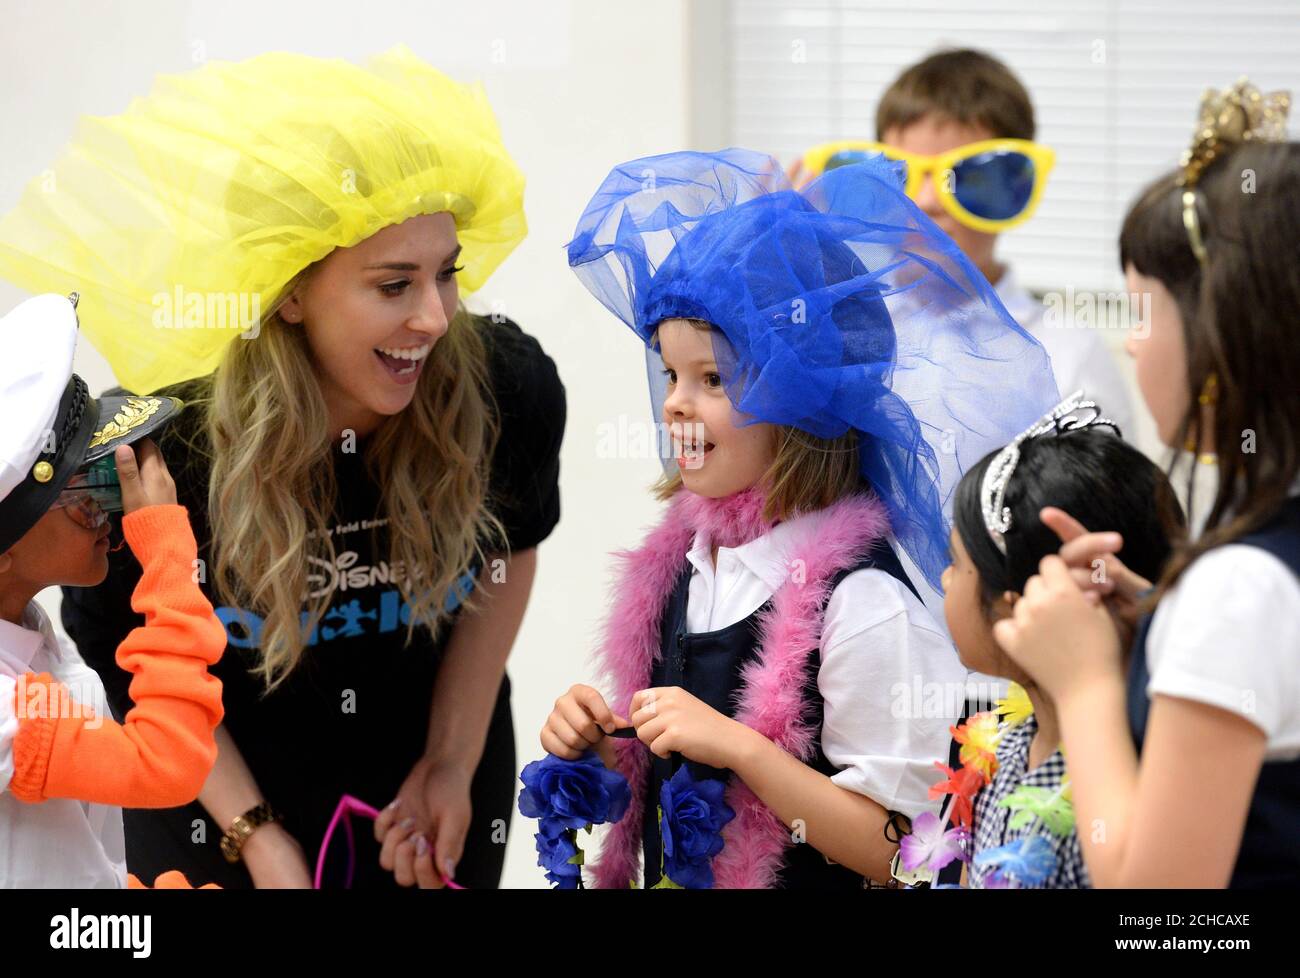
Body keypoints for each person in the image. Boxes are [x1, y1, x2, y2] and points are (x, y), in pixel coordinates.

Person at [0, 46, 565, 889]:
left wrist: (451, 759)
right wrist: (255, 835)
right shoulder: (177, 437)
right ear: (290, 291)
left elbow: (508, 550)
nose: (434, 317)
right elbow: (125, 641)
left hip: (429, 786)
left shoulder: (503, 387)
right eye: (392, 284)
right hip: (207, 789)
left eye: (445, 275)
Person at [540, 148, 1058, 888]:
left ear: (801, 398)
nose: (676, 403)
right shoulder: (683, 567)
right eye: (671, 372)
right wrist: (599, 748)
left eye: (713, 378)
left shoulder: (862, 602)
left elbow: (900, 851)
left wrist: (745, 750)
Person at [994, 79, 1299, 887]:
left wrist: (1087, 682)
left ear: (1221, 333)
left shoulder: (1240, 590)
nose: (1130, 345)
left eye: (1143, 310)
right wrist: (1152, 627)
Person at [0, 292, 224, 887]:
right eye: (89, 498)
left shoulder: (31, 636)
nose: (114, 513)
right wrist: (167, 552)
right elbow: (166, 764)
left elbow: (53, 843)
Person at [791, 48, 1133, 435]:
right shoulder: (836, 334)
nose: (927, 202)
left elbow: (1111, 492)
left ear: (1016, 184)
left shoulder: (1070, 355)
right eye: (902, 173)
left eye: (965, 177)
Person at [933, 391, 1183, 888]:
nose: (944, 579)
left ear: (1019, 603)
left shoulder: (1126, 784)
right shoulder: (1000, 749)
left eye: (957, 562)